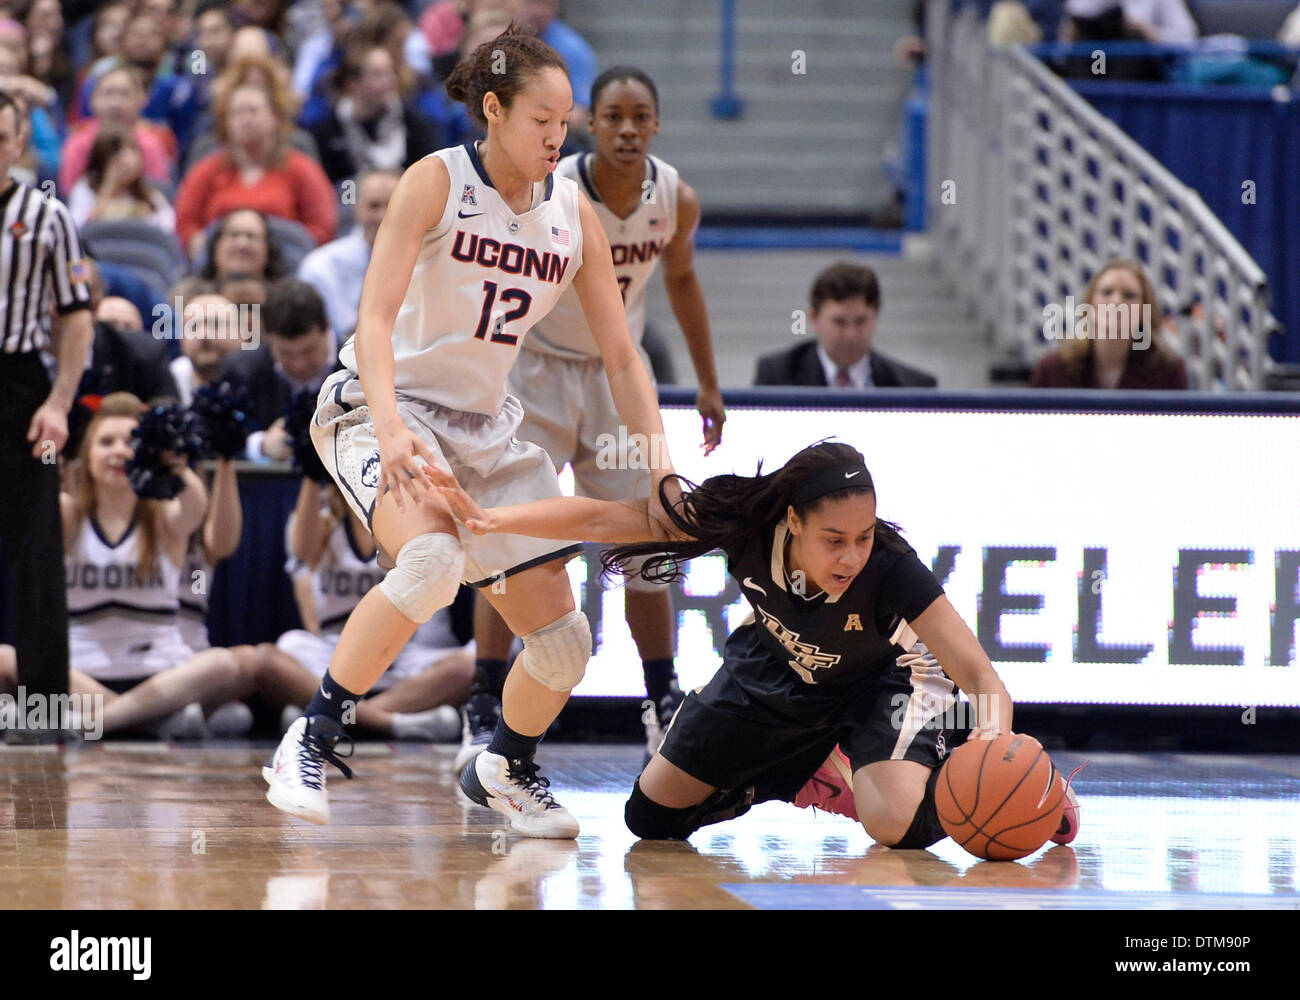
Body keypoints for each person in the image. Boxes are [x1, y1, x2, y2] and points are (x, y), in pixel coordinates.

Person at [263, 25, 674, 836]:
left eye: (566, 122)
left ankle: (506, 768)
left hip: (487, 429)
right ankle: (310, 736)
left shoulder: (573, 214)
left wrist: (658, 471)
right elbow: (373, 319)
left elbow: (623, 358)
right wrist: (391, 427)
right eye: (541, 119)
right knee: (430, 561)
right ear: (493, 109)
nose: (558, 136)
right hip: (382, 403)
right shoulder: (436, 180)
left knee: (564, 642)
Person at [426, 441, 1081, 849]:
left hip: (885, 682)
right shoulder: (740, 519)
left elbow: (982, 678)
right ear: (792, 521)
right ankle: (804, 771)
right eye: (834, 539)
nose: (852, 554)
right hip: (774, 664)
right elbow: (602, 516)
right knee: (650, 819)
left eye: (862, 535)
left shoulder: (891, 569)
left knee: (895, 827)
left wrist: (996, 741)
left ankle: (1030, 789)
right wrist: (493, 519)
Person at [467, 66, 725, 769]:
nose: (627, 129)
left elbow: (682, 282)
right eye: (612, 116)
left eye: (640, 116)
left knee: (647, 537)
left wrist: (707, 382)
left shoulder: (675, 198)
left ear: (657, 125)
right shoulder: (554, 188)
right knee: (509, 535)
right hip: (538, 369)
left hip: (614, 375)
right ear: (590, 122)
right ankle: (484, 695)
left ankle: (662, 697)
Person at [0, 392, 252, 739]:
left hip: (158, 671)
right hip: (81, 672)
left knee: (223, 664)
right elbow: (31, 505)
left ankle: (100, 723)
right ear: (86, 455)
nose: (119, 451)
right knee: (4, 656)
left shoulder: (162, 515)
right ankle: (154, 721)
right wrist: (47, 456)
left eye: (131, 441)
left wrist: (173, 462)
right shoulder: (70, 515)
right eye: (106, 442)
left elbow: (195, 507)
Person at [0, 89, 94, 739]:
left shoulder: (47, 215)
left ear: (17, 145)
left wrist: (59, 402)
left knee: (35, 550)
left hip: (19, 386)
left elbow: (76, 313)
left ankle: (41, 712)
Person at [252, 476, 474, 740]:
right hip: (334, 648)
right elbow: (301, 551)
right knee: (267, 659)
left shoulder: (411, 518)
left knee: (468, 667)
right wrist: (312, 475)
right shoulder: (321, 520)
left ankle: (324, 716)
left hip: (398, 648)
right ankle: (389, 723)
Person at [174, 76, 337, 252]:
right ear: (225, 122)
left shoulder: (303, 169)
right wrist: (201, 246)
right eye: (237, 112)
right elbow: (185, 222)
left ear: (275, 117)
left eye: (253, 111)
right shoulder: (206, 170)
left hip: (284, 268)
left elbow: (323, 226)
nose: (245, 119)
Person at [754, 263, 937, 388]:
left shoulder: (912, 386)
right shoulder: (777, 376)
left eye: (861, 321)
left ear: (876, 317)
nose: (851, 334)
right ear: (814, 318)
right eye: (839, 322)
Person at [221, 278, 340, 461]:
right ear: (269, 339)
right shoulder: (241, 370)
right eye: (286, 353)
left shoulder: (360, 366)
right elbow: (218, 442)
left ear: (327, 330)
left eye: (309, 350)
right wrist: (261, 446)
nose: (299, 363)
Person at [1029, 258, 1188, 389]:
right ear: (1089, 305)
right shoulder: (1053, 368)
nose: (1116, 301)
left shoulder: (1169, 370)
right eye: (1106, 292)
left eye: (1129, 295)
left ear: (1144, 309)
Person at [306, 41, 441, 186]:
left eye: (390, 72)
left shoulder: (415, 123)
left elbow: (428, 177)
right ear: (352, 84)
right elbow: (327, 187)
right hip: (348, 202)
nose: (389, 82)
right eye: (377, 75)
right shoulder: (328, 131)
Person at [297, 167, 400, 342]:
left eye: (391, 205)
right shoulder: (320, 266)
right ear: (357, 207)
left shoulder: (431, 262)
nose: (382, 215)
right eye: (373, 205)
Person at [66, 125, 176, 232]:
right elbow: (77, 231)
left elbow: (168, 233)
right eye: (116, 151)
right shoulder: (84, 190)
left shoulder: (151, 195)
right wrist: (110, 187)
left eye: (131, 149)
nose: (126, 159)